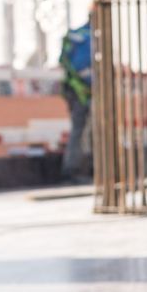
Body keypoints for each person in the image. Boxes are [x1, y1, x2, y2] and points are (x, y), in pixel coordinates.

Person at [59, 13, 93, 180]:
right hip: (83, 92)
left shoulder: (78, 35)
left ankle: (75, 169)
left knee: (79, 130)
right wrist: (94, 83)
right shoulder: (88, 38)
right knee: (83, 130)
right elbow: (81, 66)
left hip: (73, 90)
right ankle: (75, 170)